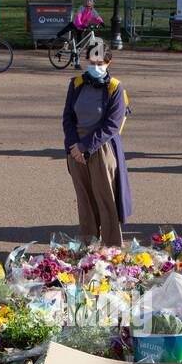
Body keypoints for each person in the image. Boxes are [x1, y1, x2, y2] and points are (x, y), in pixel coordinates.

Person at [62, 46, 132, 246]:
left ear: (108, 63)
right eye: (92, 63)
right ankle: (88, 244)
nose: (95, 67)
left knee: (106, 198)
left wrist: (86, 147)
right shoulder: (76, 84)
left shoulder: (115, 87)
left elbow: (112, 124)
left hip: (101, 146)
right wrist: (73, 145)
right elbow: (68, 117)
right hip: (76, 148)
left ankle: (111, 247)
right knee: (84, 199)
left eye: (100, 63)